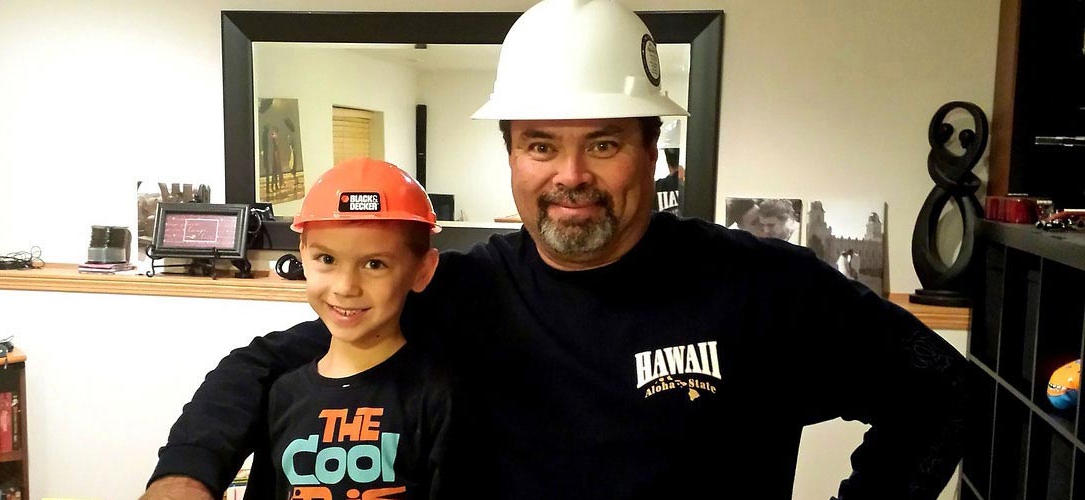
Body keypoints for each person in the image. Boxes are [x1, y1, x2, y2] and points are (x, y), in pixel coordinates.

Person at [145, 1, 965, 499]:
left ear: (650, 151)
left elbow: (938, 390)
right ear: (510, 154)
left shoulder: (760, 286)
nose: (571, 177)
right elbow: (267, 364)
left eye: (603, 143)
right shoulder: (462, 293)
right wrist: (186, 472)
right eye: (541, 145)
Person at [256, 158, 451, 499]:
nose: (346, 287)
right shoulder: (281, 395)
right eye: (327, 259)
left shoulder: (441, 397)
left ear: (422, 271)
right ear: (303, 255)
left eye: (375, 264)